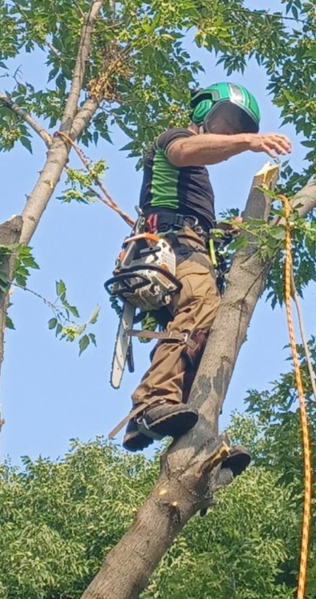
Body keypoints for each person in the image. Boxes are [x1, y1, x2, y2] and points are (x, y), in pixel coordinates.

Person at [122, 82, 292, 452]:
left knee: (212, 337)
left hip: (193, 246)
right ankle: (151, 404)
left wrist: (232, 230)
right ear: (203, 113)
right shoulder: (176, 139)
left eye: (238, 128)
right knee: (200, 307)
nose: (231, 133)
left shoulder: (198, 182)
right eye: (227, 122)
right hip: (172, 244)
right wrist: (249, 142)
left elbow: (200, 224)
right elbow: (184, 152)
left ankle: (199, 441)